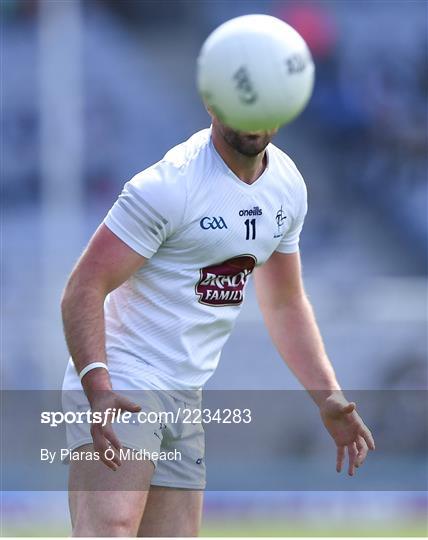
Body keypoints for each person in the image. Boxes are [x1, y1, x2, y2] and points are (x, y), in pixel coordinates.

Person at [61, 110, 375, 536]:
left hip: (185, 394)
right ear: (213, 103)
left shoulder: (287, 185)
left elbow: (284, 302)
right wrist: (97, 387)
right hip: (123, 378)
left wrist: (327, 396)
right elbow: (83, 288)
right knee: (110, 529)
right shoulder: (169, 186)